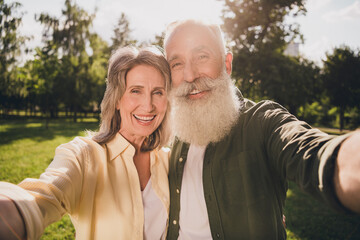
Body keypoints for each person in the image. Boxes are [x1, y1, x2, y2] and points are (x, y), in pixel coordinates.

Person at [163, 19, 360, 239]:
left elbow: (314, 153)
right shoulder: (176, 137)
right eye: (176, 64)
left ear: (227, 64)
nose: (190, 76)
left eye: (202, 57)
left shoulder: (261, 122)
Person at [0, 45, 172, 240]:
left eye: (158, 92)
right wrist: (13, 208)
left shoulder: (168, 161)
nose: (148, 105)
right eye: (135, 91)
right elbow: (46, 193)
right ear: (116, 99)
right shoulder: (84, 155)